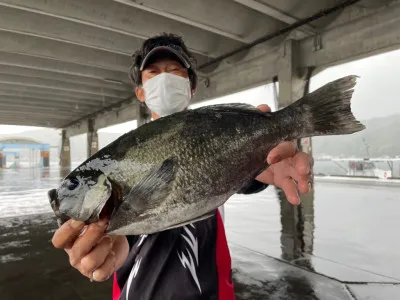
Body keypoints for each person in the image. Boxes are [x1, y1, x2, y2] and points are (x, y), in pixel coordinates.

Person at [52, 33, 313, 300]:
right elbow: (124, 234)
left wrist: (263, 162)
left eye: (175, 70)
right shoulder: (118, 159)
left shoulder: (213, 135)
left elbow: (246, 177)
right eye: (153, 72)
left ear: (191, 87)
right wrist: (106, 246)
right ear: (140, 92)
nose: (164, 77)